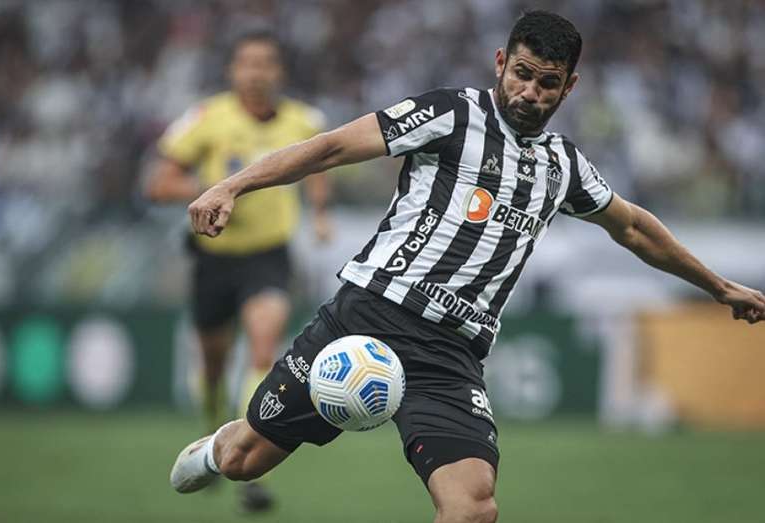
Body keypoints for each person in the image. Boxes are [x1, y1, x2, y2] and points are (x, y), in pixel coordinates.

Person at [169, 11, 765, 523]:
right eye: (522, 74)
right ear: (501, 62)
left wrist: (718, 287)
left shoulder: (565, 167)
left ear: (569, 88)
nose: (529, 92)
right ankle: (216, 451)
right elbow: (330, 148)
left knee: (474, 506)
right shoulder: (451, 114)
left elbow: (633, 227)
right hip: (367, 317)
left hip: (450, 356)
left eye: (547, 83)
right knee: (249, 460)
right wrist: (233, 185)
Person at [147, 29, 330, 511]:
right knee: (212, 364)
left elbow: (318, 168)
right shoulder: (207, 119)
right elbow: (159, 183)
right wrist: (214, 186)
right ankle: (212, 430)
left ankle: (249, 459)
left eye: (265, 63)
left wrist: (320, 214)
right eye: (247, 63)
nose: (256, 72)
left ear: (279, 72)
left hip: (269, 255)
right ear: (233, 71)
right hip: (213, 257)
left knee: (263, 347)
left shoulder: (303, 121)